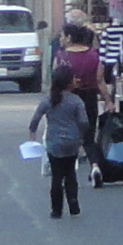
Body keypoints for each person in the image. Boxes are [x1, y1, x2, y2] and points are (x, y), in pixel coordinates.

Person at [36, 73, 90, 218]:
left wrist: (32, 135)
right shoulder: (76, 101)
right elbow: (84, 121)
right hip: (72, 141)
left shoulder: (48, 100)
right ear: (68, 83)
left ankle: (56, 209)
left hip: (54, 142)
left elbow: (35, 119)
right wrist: (81, 135)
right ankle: (73, 203)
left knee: (56, 176)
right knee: (70, 172)